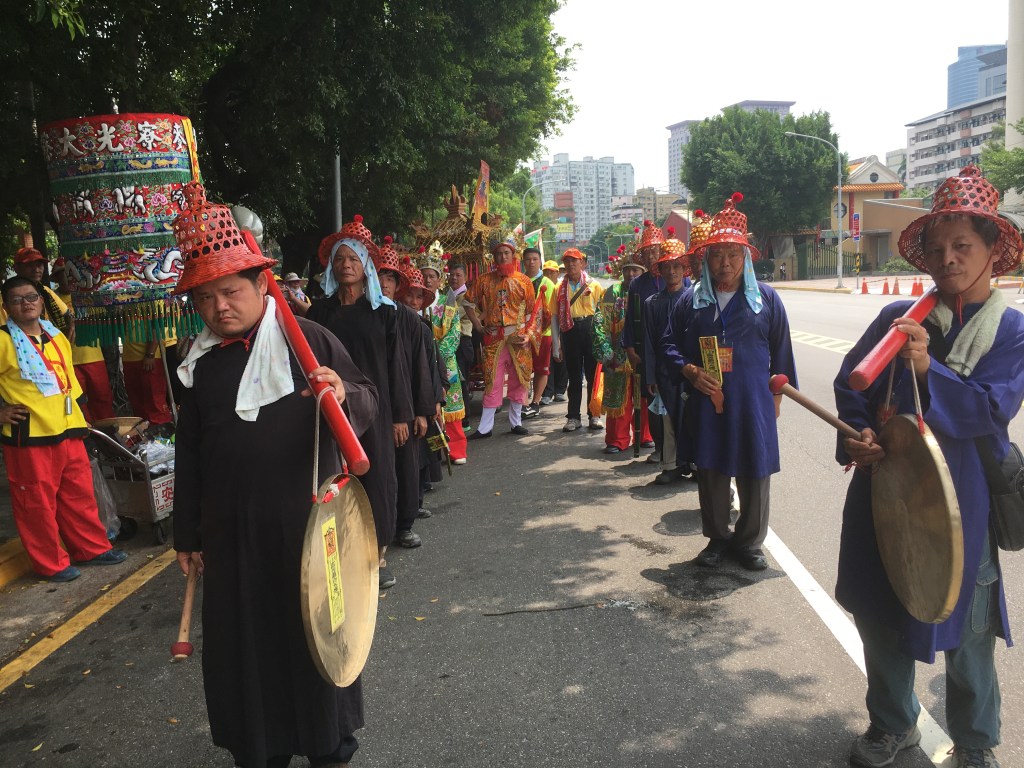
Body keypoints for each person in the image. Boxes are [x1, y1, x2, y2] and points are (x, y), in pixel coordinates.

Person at [170, 183, 377, 768]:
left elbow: (366, 398)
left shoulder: (308, 342)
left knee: (317, 641)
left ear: (262, 285)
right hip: (234, 539)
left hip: (308, 528)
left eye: (230, 292)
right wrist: (188, 536)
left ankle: (328, 744)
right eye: (205, 298)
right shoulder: (201, 364)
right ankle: (259, 749)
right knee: (248, 649)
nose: (219, 308)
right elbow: (193, 455)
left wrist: (345, 393)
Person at [835, 167, 1024, 768]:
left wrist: (926, 370)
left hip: (963, 501)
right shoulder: (899, 317)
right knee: (880, 615)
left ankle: (975, 743)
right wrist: (858, 436)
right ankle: (893, 724)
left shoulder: (1011, 330)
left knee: (967, 634)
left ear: (993, 250)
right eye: (938, 249)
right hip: (886, 490)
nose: (949, 259)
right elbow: (850, 384)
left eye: (963, 245)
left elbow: (992, 409)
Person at [662, 192, 797, 571]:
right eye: (717, 254)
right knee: (712, 469)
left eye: (733, 254)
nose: (725, 263)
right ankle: (718, 538)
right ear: (706, 258)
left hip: (753, 400)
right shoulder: (692, 301)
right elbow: (669, 343)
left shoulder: (765, 300)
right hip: (708, 400)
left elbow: (782, 355)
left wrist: (777, 398)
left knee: (755, 470)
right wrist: (689, 370)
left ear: (746, 257)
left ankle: (750, 542)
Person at [307, 214, 415, 591]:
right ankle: (341, 551)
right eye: (340, 260)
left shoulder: (384, 311)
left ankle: (378, 554)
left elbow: (396, 365)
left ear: (365, 265)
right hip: (333, 407)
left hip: (376, 406)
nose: (346, 266)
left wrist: (401, 414)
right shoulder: (321, 312)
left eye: (353, 259)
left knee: (378, 477)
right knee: (334, 477)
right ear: (332, 267)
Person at [0, 276, 127, 581]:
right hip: (29, 435)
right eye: (17, 300)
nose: (25, 303)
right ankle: (51, 564)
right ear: (5, 307)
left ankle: (92, 549)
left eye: (31, 297)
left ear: (42, 301)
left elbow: (69, 380)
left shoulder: (56, 335)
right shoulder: (3, 340)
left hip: (69, 429)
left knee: (79, 495)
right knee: (36, 504)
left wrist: (83, 417)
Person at [372, 240, 433, 551]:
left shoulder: (409, 319)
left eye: (391, 277)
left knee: (406, 467)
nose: (384, 282)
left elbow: (422, 368)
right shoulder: (362, 316)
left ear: (398, 284)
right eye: (379, 274)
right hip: (371, 407)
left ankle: (404, 524)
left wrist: (422, 411)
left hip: (405, 406)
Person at [463, 234, 537, 438]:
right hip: (493, 337)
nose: (503, 257)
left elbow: (533, 312)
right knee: (491, 380)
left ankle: (516, 422)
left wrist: (528, 334)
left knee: (519, 379)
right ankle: (485, 427)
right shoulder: (484, 280)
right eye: (499, 254)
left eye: (507, 253)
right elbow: (468, 302)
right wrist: (478, 325)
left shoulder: (524, 281)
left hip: (517, 337)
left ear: (513, 256)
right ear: (493, 258)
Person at [592, 245, 651, 454]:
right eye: (627, 269)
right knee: (618, 396)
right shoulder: (613, 292)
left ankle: (646, 435)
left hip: (644, 353)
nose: (631, 273)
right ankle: (617, 439)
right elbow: (600, 323)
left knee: (645, 396)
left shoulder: (649, 289)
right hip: (617, 354)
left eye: (636, 269)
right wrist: (606, 352)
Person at [644, 234, 693, 483]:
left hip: (692, 371)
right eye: (667, 267)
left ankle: (695, 464)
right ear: (660, 271)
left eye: (677, 266)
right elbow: (650, 343)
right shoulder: (652, 303)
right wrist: (651, 375)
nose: (672, 271)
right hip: (665, 373)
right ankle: (672, 465)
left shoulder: (696, 297)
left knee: (693, 418)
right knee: (668, 419)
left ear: (685, 269)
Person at [418, 249, 468, 464]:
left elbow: (454, 334)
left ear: (440, 280)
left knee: (451, 410)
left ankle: (456, 451)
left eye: (432, 276)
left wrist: (435, 354)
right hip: (420, 365)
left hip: (445, 364)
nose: (428, 280)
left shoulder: (447, 303)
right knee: (428, 411)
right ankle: (435, 453)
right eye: (424, 276)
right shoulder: (414, 303)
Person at [50, 259, 115, 423]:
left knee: (102, 399)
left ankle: (109, 438)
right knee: (79, 404)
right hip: (68, 361)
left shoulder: (88, 294)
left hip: (94, 356)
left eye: (72, 274)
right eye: (65, 274)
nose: (70, 278)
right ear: (57, 278)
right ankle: (88, 440)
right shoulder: (51, 300)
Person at [623, 221, 665, 461]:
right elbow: (630, 320)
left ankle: (679, 450)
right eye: (648, 252)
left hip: (671, 352)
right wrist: (629, 348)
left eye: (656, 251)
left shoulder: (679, 280)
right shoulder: (638, 284)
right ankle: (659, 449)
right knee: (651, 400)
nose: (652, 256)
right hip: (645, 351)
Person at [551, 248, 604, 433]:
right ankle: (573, 417)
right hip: (570, 331)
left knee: (592, 376)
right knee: (574, 377)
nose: (571, 264)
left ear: (583, 263)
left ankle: (594, 414)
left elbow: (602, 313)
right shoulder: (559, 287)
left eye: (575, 260)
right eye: (567, 261)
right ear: (564, 265)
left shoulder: (594, 285)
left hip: (590, 330)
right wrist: (556, 345)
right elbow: (555, 317)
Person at [4, 247, 75, 341]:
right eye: (30, 265)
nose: (36, 269)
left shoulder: (45, 291)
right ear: (16, 268)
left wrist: (71, 325)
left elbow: (67, 314)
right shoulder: (6, 296)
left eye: (39, 265)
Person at [520, 247, 556, 419]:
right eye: (528, 259)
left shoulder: (548, 284)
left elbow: (551, 312)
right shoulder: (518, 280)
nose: (531, 262)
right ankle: (523, 402)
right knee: (522, 368)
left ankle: (535, 402)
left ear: (540, 261)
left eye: (535, 259)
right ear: (523, 261)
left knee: (541, 369)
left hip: (544, 333)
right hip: (521, 333)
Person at [121, 327, 176, 431]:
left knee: (155, 403)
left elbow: (156, 327)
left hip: (150, 359)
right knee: (138, 403)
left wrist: (150, 354)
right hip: (130, 358)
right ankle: (144, 438)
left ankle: (163, 437)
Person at [447, 261, 476, 429]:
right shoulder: (449, 293)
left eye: (458, 275)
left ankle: (464, 418)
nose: (454, 278)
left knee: (462, 380)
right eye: (452, 275)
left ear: (465, 277)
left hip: (462, 341)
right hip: (451, 342)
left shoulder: (467, 296)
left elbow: (451, 315)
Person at [540, 259, 568, 405]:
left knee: (562, 361)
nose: (549, 274)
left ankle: (560, 390)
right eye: (546, 272)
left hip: (560, 326)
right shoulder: (542, 284)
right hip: (546, 330)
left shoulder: (561, 286)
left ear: (557, 272)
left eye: (552, 272)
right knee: (548, 362)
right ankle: (548, 392)